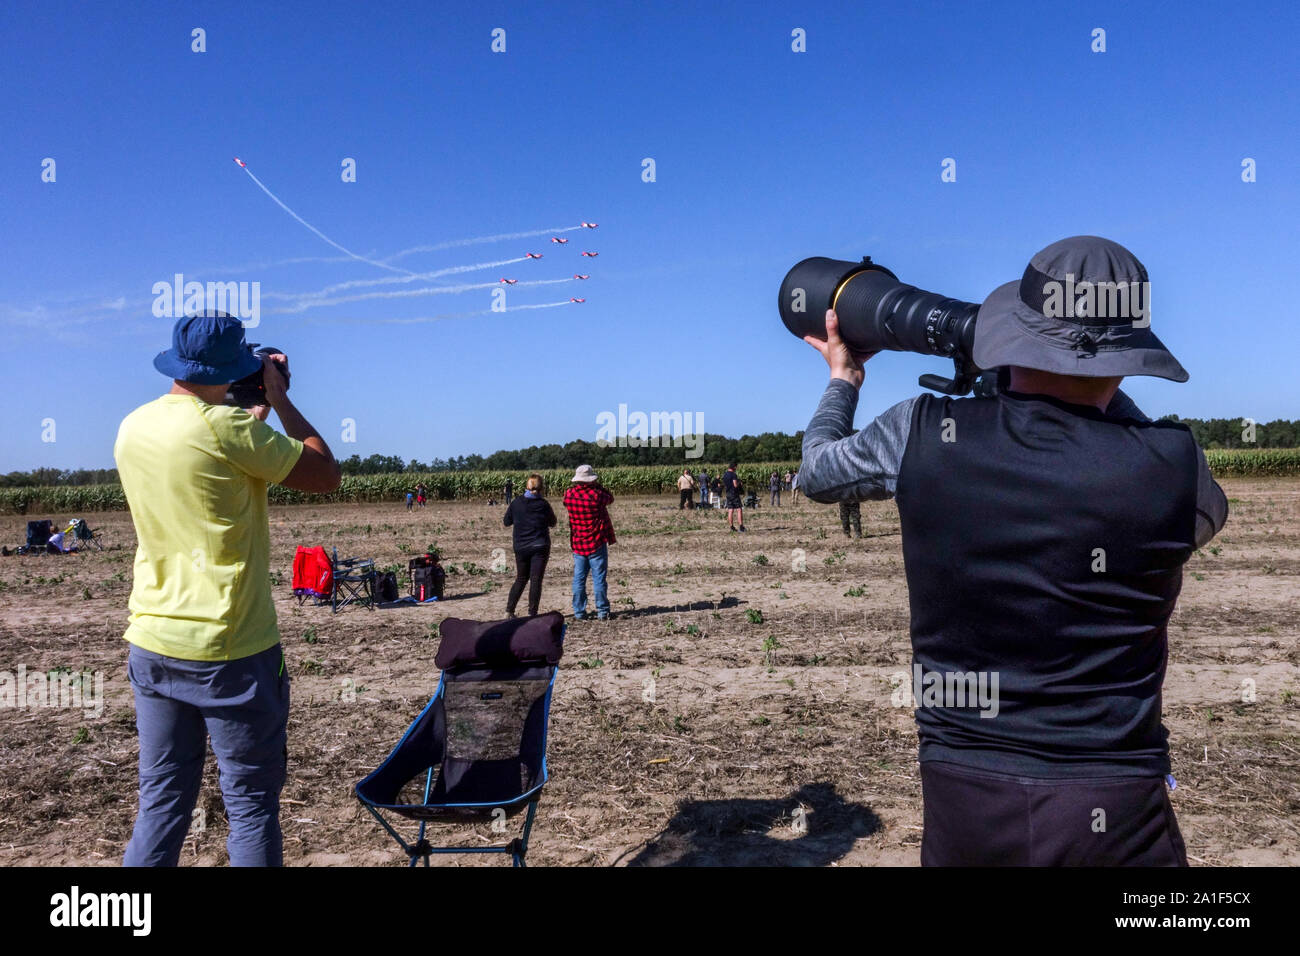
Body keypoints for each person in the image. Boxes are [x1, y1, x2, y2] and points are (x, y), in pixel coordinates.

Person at [798, 237, 1228, 866]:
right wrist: (1087, 378)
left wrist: (844, 380)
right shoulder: (1174, 466)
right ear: (1130, 353)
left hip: (965, 793)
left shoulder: (920, 432)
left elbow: (816, 473)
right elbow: (1196, 514)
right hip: (1116, 806)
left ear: (1015, 335)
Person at [114, 311, 341, 867]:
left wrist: (253, 412)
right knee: (251, 805)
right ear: (237, 367)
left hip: (153, 638)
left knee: (162, 800)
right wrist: (280, 402)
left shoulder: (134, 425)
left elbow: (214, 455)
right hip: (231, 647)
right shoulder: (229, 430)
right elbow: (324, 473)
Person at [562, 464, 615, 621]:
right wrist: (597, 485)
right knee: (599, 578)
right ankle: (602, 611)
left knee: (579, 578)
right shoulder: (597, 494)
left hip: (578, 543)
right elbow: (610, 498)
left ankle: (579, 612)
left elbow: (566, 502)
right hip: (596, 542)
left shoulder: (569, 495)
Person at [503, 474, 556, 618]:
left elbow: (506, 522)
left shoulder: (516, 503)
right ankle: (532, 614)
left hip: (521, 546)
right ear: (542, 488)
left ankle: (509, 611)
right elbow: (553, 522)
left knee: (521, 578)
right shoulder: (544, 504)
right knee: (536, 580)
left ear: (527, 487)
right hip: (540, 545)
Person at [722, 463, 745, 532]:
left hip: (728, 494)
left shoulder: (725, 475)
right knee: (739, 509)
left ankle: (731, 527)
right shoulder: (733, 474)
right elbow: (735, 485)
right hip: (734, 494)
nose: (736, 468)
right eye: (736, 467)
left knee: (730, 510)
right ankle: (741, 527)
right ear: (734, 467)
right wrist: (739, 483)